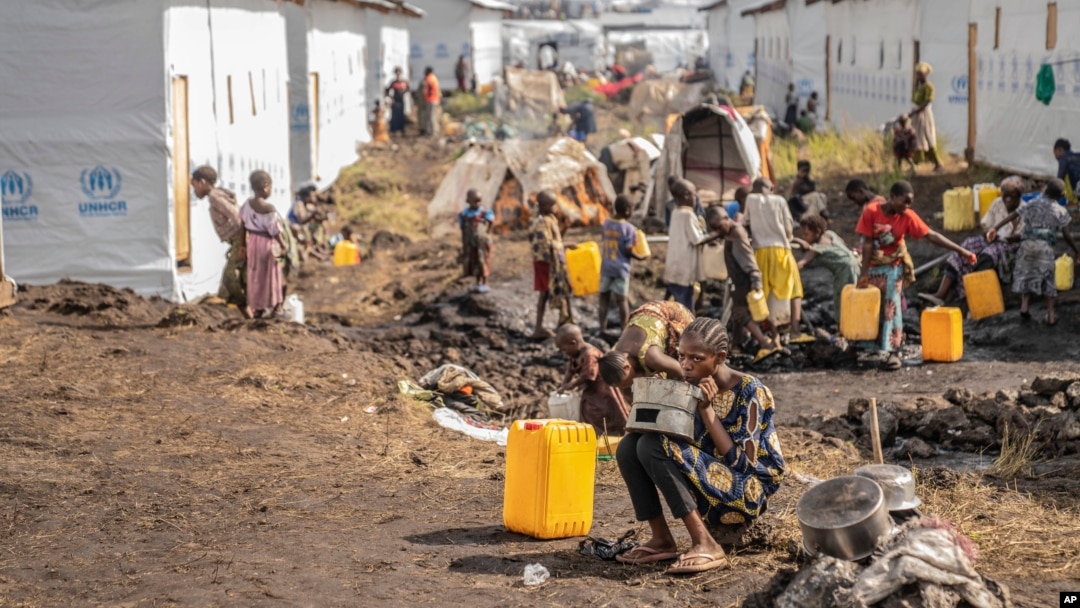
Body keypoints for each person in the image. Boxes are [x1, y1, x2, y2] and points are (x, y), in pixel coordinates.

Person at [613, 316, 784, 574]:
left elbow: (745, 466)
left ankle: (706, 543)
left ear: (720, 357)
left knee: (652, 445)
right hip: (709, 480)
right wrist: (657, 400)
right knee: (629, 446)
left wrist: (706, 410)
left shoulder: (750, 391)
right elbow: (679, 437)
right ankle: (661, 539)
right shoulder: (690, 384)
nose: (686, 365)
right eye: (681, 356)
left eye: (696, 358)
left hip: (747, 491)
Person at [856, 181, 975, 369]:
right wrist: (864, 274)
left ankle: (894, 351)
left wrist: (961, 251)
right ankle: (860, 344)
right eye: (904, 201)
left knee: (892, 305)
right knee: (867, 306)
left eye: (910, 203)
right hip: (872, 266)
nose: (907, 206)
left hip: (893, 265)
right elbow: (868, 243)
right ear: (892, 197)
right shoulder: (871, 211)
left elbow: (931, 235)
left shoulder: (907, 216)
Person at [919, 176, 1025, 306]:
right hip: (993, 239)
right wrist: (990, 233)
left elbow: (1022, 236)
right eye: (1005, 195)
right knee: (966, 246)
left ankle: (973, 297)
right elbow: (986, 225)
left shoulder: (1024, 210)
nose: (1007, 199)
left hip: (1010, 244)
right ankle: (941, 295)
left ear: (1019, 196)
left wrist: (1005, 237)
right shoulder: (997, 203)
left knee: (988, 254)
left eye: (1012, 196)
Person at [988, 179, 1079, 326]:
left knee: (1026, 276)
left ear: (1045, 190)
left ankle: (1024, 307)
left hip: (1026, 245)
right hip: (1044, 248)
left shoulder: (1032, 203)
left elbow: (1014, 215)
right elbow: (1067, 235)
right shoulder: (1060, 210)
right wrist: (1076, 251)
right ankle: (1051, 315)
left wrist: (995, 228)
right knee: (1048, 280)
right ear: (1061, 196)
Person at [743, 178, 815, 345]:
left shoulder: (750, 200)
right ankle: (795, 331)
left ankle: (774, 336)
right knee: (794, 290)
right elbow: (788, 228)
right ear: (772, 188)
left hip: (760, 252)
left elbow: (746, 223)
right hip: (781, 251)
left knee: (765, 293)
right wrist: (788, 237)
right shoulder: (780, 201)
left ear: (754, 189)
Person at [706, 206, 780, 362]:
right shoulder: (729, 232)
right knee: (739, 314)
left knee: (741, 313)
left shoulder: (736, 234)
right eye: (715, 229)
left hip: (743, 280)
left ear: (726, 218)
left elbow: (748, 258)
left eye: (719, 227)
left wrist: (756, 280)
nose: (718, 232)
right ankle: (736, 345)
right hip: (737, 279)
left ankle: (765, 343)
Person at [598, 300, 695, 391]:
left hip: (670, 314)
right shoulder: (613, 361)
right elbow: (630, 396)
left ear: (627, 367)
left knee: (691, 365)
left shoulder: (652, 357)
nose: (628, 386)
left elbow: (682, 372)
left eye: (626, 383)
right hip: (643, 319)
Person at [192, 165, 248, 317]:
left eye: (194, 186)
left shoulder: (215, 197)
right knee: (239, 279)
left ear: (202, 182)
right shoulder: (217, 195)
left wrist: (242, 245)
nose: (194, 191)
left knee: (231, 280)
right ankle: (253, 317)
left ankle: (252, 318)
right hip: (239, 240)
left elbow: (237, 217)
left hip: (240, 240)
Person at [556, 324, 630, 435]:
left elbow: (588, 375)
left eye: (564, 349)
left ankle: (608, 436)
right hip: (590, 392)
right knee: (587, 413)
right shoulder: (575, 354)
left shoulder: (590, 354)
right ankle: (593, 435)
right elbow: (570, 371)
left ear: (573, 343)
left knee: (602, 414)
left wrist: (572, 385)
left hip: (602, 391)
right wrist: (563, 385)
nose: (564, 353)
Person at [666, 180, 722, 311]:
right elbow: (697, 239)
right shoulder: (688, 214)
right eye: (694, 194)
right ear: (686, 195)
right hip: (685, 268)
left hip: (675, 266)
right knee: (685, 303)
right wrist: (718, 234)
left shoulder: (676, 212)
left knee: (672, 299)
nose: (696, 198)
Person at [793, 214, 860, 324]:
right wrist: (807, 245)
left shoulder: (817, 249)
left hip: (844, 273)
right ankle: (856, 323)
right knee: (856, 297)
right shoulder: (830, 234)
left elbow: (802, 263)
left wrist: (788, 270)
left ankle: (845, 326)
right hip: (856, 265)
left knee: (842, 300)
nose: (805, 237)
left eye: (806, 234)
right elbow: (841, 244)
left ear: (817, 231)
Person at [240, 170, 287, 319]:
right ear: (266, 186)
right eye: (271, 187)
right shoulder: (268, 208)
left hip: (253, 243)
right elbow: (274, 230)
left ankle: (258, 309)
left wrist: (243, 245)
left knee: (256, 276)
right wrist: (283, 245)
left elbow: (242, 226)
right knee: (273, 274)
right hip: (268, 244)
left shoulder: (246, 205)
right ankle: (277, 308)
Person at [529, 190, 574, 338]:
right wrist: (565, 245)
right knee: (544, 292)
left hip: (552, 261)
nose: (556, 207)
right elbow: (547, 245)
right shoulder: (540, 222)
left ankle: (563, 321)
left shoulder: (550, 218)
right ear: (544, 206)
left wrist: (565, 227)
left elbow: (556, 239)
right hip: (545, 262)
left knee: (562, 288)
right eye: (553, 204)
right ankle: (538, 328)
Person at [599, 195, 640, 333]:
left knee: (603, 299)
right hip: (621, 269)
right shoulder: (629, 228)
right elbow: (628, 250)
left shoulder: (606, 223)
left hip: (606, 267)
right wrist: (640, 257)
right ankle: (624, 330)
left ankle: (602, 328)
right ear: (628, 210)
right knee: (622, 301)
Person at [457, 189, 494, 293]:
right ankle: (478, 282)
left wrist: (487, 233)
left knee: (483, 260)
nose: (478, 203)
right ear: (468, 201)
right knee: (474, 261)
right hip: (471, 243)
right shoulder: (464, 214)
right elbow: (462, 227)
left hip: (482, 242)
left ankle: (485, 282)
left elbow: (491, 222)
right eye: (475, 201)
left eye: (479, 201)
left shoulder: (484, 212)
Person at [910, 62, 942, 172]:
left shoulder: (929, 87)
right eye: (917, 74)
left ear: (925, 75)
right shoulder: (919, 88)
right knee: (917, 138)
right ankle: (915, 164)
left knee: (929, 137)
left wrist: (916, 111)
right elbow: (914, 100)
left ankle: (937, 163)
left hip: (924, 115)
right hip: (917, 115)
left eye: (920, 74)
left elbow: (928, 101)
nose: (918, 76)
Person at [288, 183, 329, 263]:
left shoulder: (307, 205)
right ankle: (316, 252)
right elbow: (302, 220)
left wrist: (322, 216)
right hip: (295, 227)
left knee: (320, 225)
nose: (314, 197)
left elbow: (316, 218)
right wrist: (313, 215)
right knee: (304, 229)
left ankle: (320, 247)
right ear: (306, 197)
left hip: (302, 228)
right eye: (312, 196)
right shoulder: (299, 204)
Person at [1054, 138, 1080, 204]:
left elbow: (1060, 179)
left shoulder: (1064, 158)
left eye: (1055, 152)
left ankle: (1072, 201)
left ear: (1059, 149)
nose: (1055, 156)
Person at [385, 67, 410, 136]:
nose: (398, 74)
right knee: (394, 116)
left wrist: (405, 92)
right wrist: (391, 98)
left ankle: (401, 129)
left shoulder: (404, 82)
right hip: (395, 101)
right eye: (397, 73)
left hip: (402, 101)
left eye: (399, 73)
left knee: (401, 115)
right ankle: (394, 129)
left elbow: (408, 89)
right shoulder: (393, 82)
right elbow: (387, 91)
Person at [421, 66, 441, 138]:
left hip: (431, 100)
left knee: (430, 117)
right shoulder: (434, 77)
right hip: (435, 99)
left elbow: (428, 89)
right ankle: (432, 131)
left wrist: (425, 97)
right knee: (432, 116)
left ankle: (431, 132)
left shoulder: (429, 78)